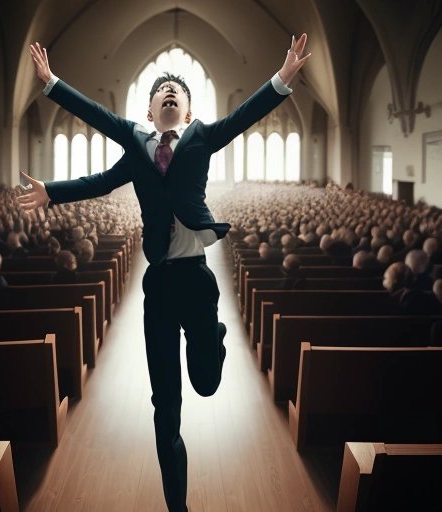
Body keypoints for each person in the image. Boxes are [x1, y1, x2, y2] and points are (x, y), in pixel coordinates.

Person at [18, 34, 310, 512]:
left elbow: (244, 117)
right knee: (165, 408)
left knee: (207, 383)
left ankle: (213, 337)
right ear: (150, 113)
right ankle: (178, 505)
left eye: (178, 90)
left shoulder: (202, 137)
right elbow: (98, 162)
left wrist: (282, 79)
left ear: (188, 113)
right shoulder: (135, 143)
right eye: (162, 90)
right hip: (159, 284)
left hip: (197, 280)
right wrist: (51, 90)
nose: (170, 91)